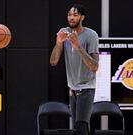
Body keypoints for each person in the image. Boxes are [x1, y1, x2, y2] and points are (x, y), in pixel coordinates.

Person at [49, 3, 99, 135]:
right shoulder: (64, 33)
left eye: (75, 15)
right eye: (69, 15)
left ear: (82, 17)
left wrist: (78, 47)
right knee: (80, 128)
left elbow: (94, 67)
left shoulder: (91, 35)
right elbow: (53, 61)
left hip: (87, 87)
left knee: (81, 125)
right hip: (72, 88)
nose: (71, 17)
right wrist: (59, 43)